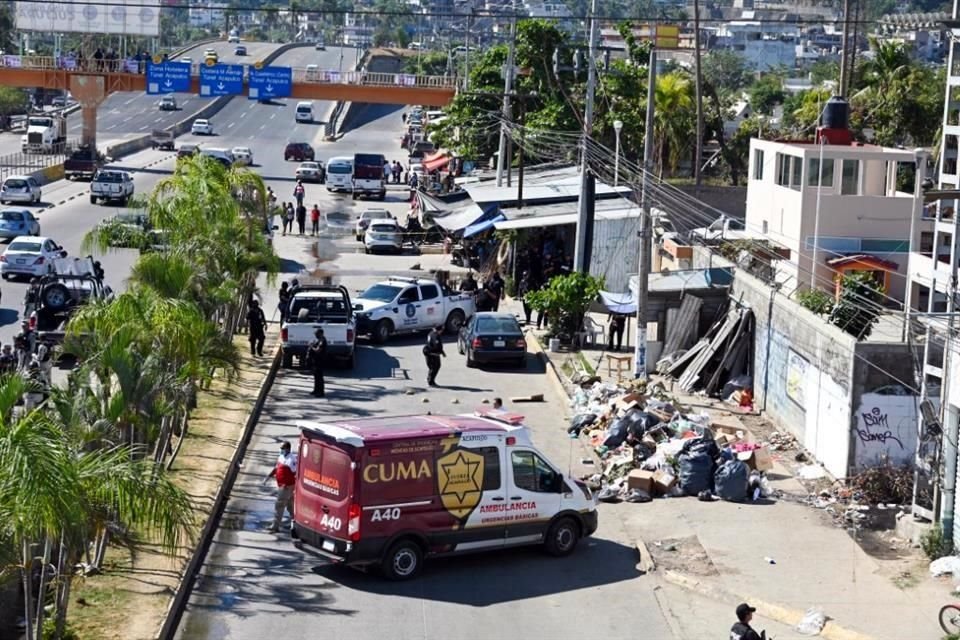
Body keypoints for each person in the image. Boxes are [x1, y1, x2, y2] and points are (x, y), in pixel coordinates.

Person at [264, 440, 298, 533]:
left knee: (279, 505)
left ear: (287, 449)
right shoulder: (281, 457)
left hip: (286, 487)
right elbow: (276, 468)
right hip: (282, 486)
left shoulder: (292, 460)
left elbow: (296, 473)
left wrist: (291, 486)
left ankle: (275, 526)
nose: (280, 449)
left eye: (282, 448)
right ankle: (296, 523)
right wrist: (268, 477)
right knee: (290, 505)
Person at [307, 328, 328, 397]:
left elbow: (318, 350)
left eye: (317, 334)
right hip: (316, 360)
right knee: (316, 376)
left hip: (320, 361)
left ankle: (321, 392)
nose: (316, 335)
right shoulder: (319, 340)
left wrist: (311, 347)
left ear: (321, 334)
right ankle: (316, 390)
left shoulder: (322, 341)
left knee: (319, 377)